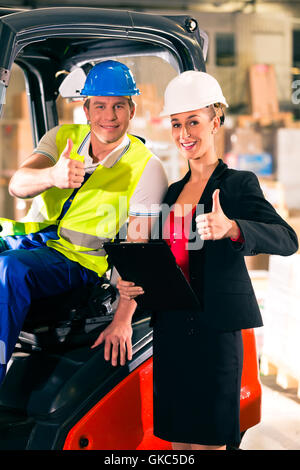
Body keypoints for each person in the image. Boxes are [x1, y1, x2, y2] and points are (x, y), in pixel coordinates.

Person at [108, 71, 299, 450]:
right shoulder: (172, 191)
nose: (184, 133)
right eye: (177, 123)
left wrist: (232, 228)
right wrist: (134, 284)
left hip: (214, 333)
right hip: (172, 331)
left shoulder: (236, 184)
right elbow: (166, 262)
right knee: (178, 441)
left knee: (210, 441)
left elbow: (287, 239)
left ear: (215, 120)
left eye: (193, 121)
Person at [0, 60, 168, 384]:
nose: (110, 116)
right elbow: (17, 185)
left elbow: (139, 253)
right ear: (86, 109)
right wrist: (52, 175)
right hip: (34, 242)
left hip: (78, 264)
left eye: (119, 106)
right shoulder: (61, 137)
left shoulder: (147, 169)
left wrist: (122, 319)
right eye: (100, 106)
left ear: (132, 110)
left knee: (9, 270)